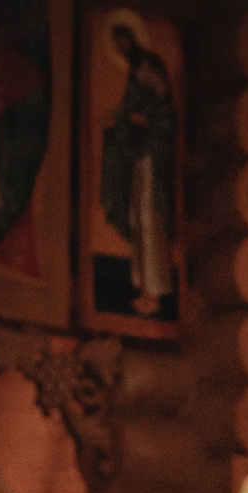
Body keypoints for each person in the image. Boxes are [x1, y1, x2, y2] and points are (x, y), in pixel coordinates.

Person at [98, 19, 178, 318]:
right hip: (140, 152)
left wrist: (141, 122)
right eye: (117, 45)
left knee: (148, 216)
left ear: (132, 40)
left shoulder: (147, 67)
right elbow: (133, 110)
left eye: (124, 42)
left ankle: (154, 292)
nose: (122, 48)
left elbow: (163, 111)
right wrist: (119, 120)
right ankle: (143, 286)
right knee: (136, 216)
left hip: (153, 156)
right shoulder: (136, 71)